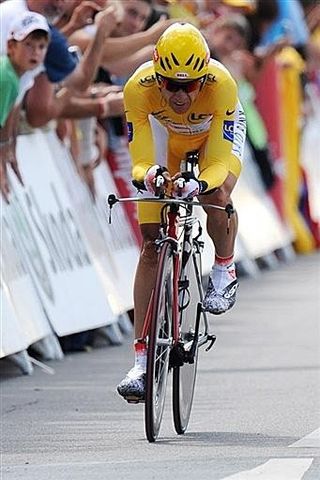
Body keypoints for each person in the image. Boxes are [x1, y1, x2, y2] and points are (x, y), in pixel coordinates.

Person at [117, 22, 246, 400]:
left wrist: (199, 184)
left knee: (216, 194)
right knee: (151, 244)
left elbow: (219, 165)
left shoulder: (221, 85)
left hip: (212, 139)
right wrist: (154, 176)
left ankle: (224, 265)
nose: (178, 93)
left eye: (188, 86)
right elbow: (140, 161)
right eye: (169, 83)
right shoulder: (138, 89)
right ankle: (141, 363)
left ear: (203, 78)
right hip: (165, 137)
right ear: (157, 73)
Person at [0, 11, 50, 202]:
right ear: (11, 46)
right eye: (28, 44)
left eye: (41, 46)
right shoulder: (7, 78)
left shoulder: (13, 74)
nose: (36, 52)